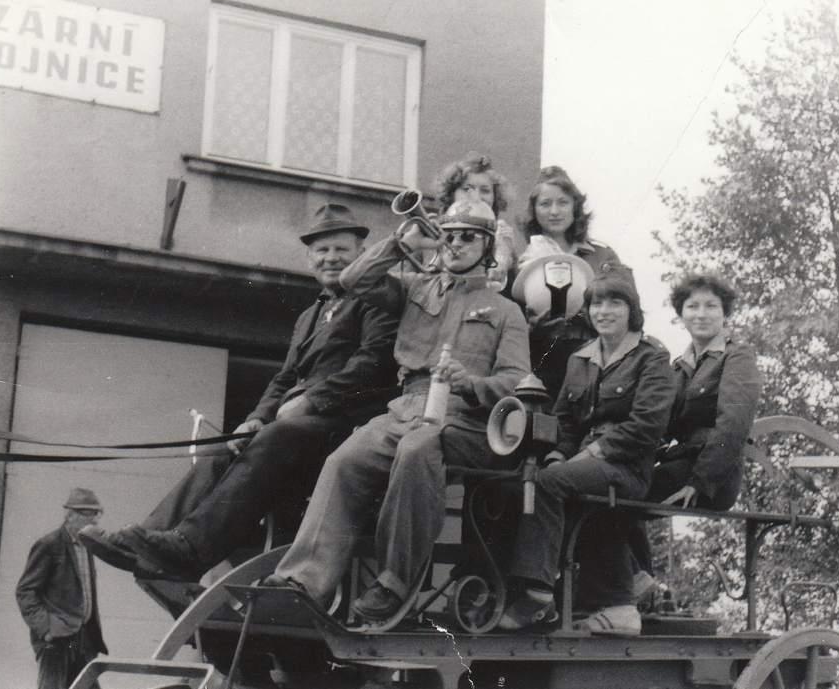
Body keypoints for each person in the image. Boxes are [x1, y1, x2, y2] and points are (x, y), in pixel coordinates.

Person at [79, 205, 399, 581]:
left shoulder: (377, 298)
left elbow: (371, 363)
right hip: (298, 430)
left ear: (362, 253)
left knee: (278, 435)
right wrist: (255, 419)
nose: (331, 258)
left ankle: (191, 547)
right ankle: (147, 540)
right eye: (322, 250)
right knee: (225, 447)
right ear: (309, 258)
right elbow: (285, 377)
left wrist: (312, 401)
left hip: (345, 426)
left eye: (341, 249)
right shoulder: (309, 315)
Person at [264, 198, 530, 623]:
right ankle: (304, 581)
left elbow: (517, 380)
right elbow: (354, 280)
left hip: (465, 416)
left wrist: (471, 383)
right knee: (345, 461)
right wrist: (403, 241)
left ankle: (394, 581)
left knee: (416, 450)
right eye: (449, 235)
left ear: (487, 247)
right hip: (405, 405)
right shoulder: (414, 288)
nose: (456, 244)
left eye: (468, 237)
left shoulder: (505, 311)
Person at [499, 265, 675, 636]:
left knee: (547, 484)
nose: (603, 312)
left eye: (614, 304)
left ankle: (535, 593)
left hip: (627, 466)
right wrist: (558, 455)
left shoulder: (652, 358)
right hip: (582, 463)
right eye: (596, 304)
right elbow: (565, 420)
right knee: (522, 482)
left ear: (632, 310)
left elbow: (646, 427)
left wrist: (590, 454)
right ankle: (567, 591)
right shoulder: (580, 359)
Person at [628, 274, 763, 582]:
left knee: (625, 496)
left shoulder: (737, 357)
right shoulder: (680, 366)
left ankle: (633, 583)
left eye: (711, 306)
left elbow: (733, 426)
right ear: (681, 314)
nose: (701, 314)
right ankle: (637, 584)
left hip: (714, 477)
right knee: (614, 489)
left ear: (725, 312)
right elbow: (660, 425)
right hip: (680, 464)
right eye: (692, 306)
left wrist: (700, 482)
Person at [514, 166, 620, 397]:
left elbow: (625, 311)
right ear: (534, 210)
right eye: (545, 204)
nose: (554, 211)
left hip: (594, 361)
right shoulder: (523, 263)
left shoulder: (602, 256)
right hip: (540, 364)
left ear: (575, 207)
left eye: (563, 202)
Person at [16, 488, 108, 689]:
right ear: (71, 515)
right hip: (57, 640)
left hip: (82, 639)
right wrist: (46, 628)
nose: (95, 520)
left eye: (97, 514)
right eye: (89, 514)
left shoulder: (88, 545)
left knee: (86, 685)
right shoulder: (49, 544)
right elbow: (25, 591)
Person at [432, 152, 516, 288]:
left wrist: (503, 254)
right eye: (467, 189)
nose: (476, 197)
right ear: (452, 194)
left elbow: (509, 291)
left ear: (495, 197)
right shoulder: (433, 230)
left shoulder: (503, 237)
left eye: (485, 190)